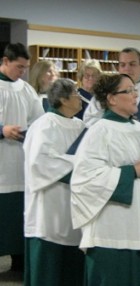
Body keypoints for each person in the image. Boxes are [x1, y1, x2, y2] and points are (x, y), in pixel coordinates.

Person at [70, 73, 140, 286]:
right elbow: (84, 179)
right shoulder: (98, 131)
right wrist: (132, 171)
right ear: (112, 98)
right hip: (111, 228)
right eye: (129, 91)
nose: (136, 95)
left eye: (135, 89)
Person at [23, 78, 85, 286]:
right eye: (76, 94)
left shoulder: (80, 125)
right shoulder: (44, 125)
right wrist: (76, 167)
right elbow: (39, 163)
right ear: (63, 99)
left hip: (73, 201)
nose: (80, 98)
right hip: (48, 204)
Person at [0, 42, 44, 273]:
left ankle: (18, 263)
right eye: (19, 67)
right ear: (5, 61)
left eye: (26, 67)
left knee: (18, 215)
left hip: (20, 161)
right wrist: (2, 130)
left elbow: (39, 118)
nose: (23, 72)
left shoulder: (26, 89)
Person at [83, 47, 140, 126]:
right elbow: (90, 120)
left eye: (132, 64)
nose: (127, 69)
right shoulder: (107, 88)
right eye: (123, 65)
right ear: (118, 67)